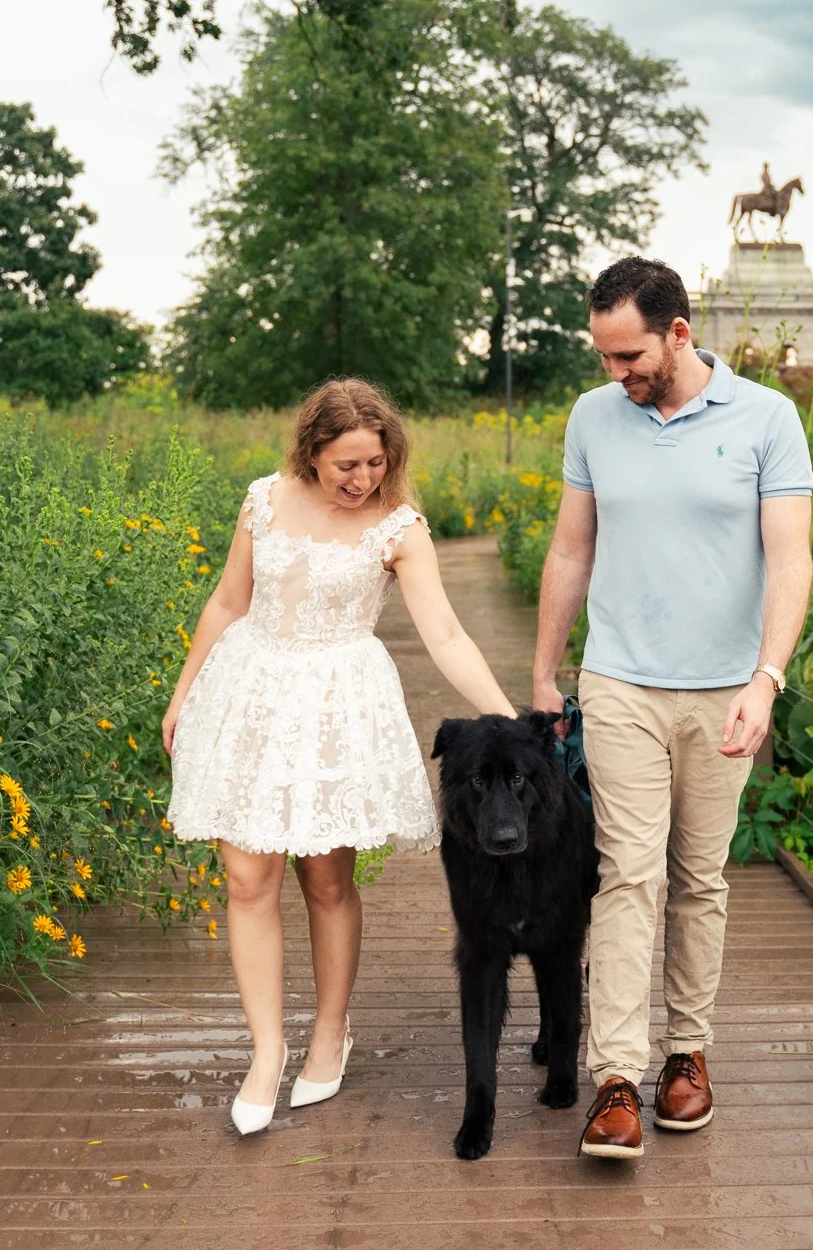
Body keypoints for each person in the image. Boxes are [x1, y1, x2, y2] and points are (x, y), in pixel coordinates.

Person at [163, 378, 516, 1136]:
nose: (363, 479)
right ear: (312, 451)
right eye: (347, 465)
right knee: (247, 876)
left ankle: (330, 1032)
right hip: (250, 693)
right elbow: (227, 602)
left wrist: (508, 718)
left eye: (376, 463)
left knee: (326, 882)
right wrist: (183, 694)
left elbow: (446, 635)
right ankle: (266, 1052)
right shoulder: (264, 499)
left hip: (335, 707)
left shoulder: (399, 528)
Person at [531, 257, 813, 1160]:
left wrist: (767, 679)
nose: (615, 372)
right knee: (628, 873)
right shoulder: (592, 417)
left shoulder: (767, 418)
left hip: (727, 692)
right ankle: (615, 1077)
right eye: (604, 356)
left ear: (679, 333)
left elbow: (791, 559)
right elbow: (571, 550)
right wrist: (543, 671)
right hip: (620, 683)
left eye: (629, 355)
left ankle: (687, 1054)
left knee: (699, 877)